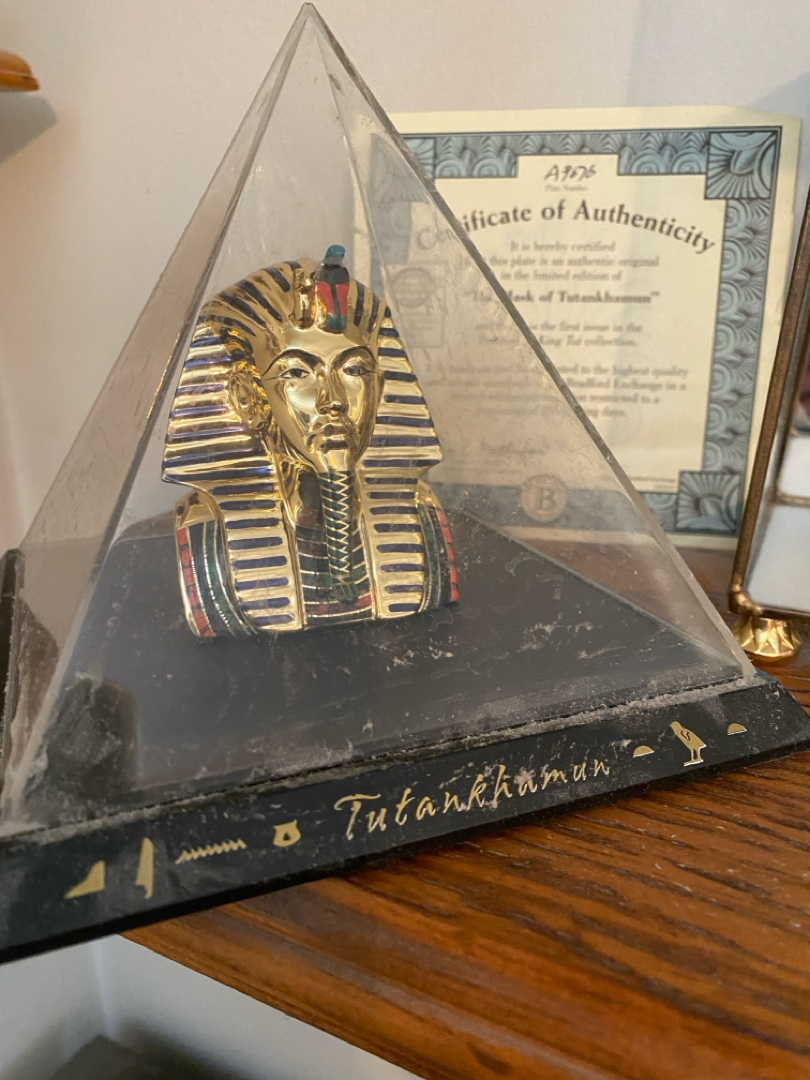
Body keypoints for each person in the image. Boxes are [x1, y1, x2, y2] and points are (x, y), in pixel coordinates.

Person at [162, 246, 457, 636]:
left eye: (354, 369)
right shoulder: (205, 530)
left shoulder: (421, 513)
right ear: (248, 397)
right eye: (298, 373)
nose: (333, 400)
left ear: (381, 387)